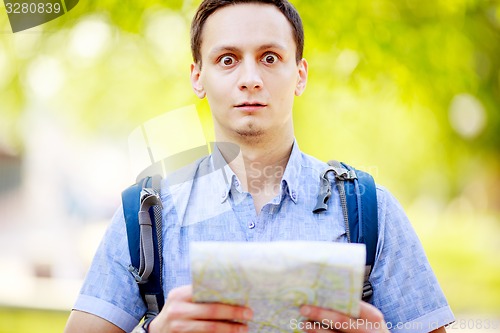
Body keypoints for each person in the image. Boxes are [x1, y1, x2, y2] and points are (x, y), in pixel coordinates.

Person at [64, 0, 455, 332]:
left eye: (270, 57)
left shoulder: (370, 209)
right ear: (198, 77)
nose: (250, 79)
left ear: (299, 75)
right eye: (227, 59)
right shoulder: (147, 213)